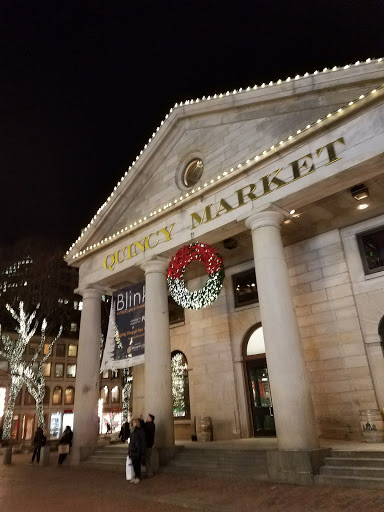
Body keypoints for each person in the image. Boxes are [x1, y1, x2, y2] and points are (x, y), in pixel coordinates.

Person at [128, 418, 145, 483]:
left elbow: (143, 441)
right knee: (134, 464)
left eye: (135, 422)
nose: (133, 423)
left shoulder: (140, 430)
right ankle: (135, 476)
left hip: (138, 449)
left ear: (137, 423)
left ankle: (138, 477)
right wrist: (129, 450)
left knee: (137, 464)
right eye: (132, 422)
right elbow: (131, 441)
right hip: (132, 449)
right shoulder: (132, 431)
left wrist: (142, 451)